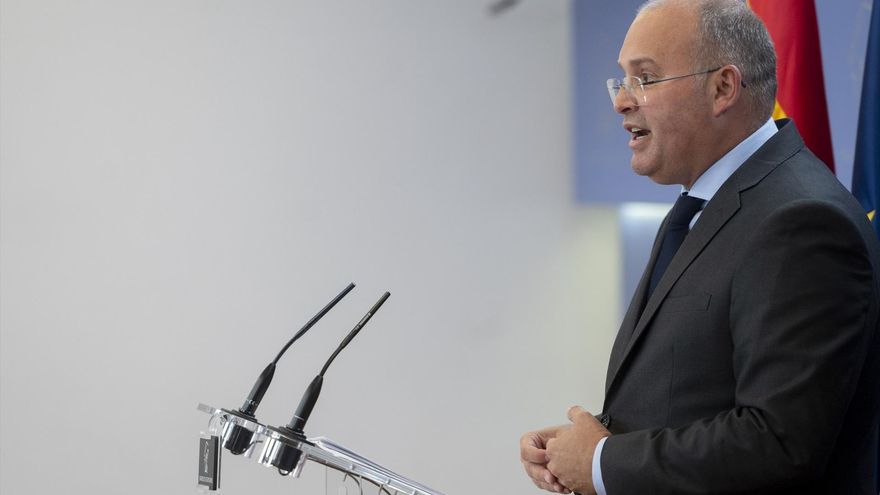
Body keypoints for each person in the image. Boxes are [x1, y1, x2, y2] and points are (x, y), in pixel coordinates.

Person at [519, 0, 880, 494]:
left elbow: (778, 442)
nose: (621, 101)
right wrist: (583, 448)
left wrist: (606, 462)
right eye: (621, 79)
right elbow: (693, 396)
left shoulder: (801, 221)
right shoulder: (703, 203)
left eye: (644, 78)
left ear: (722, 88)